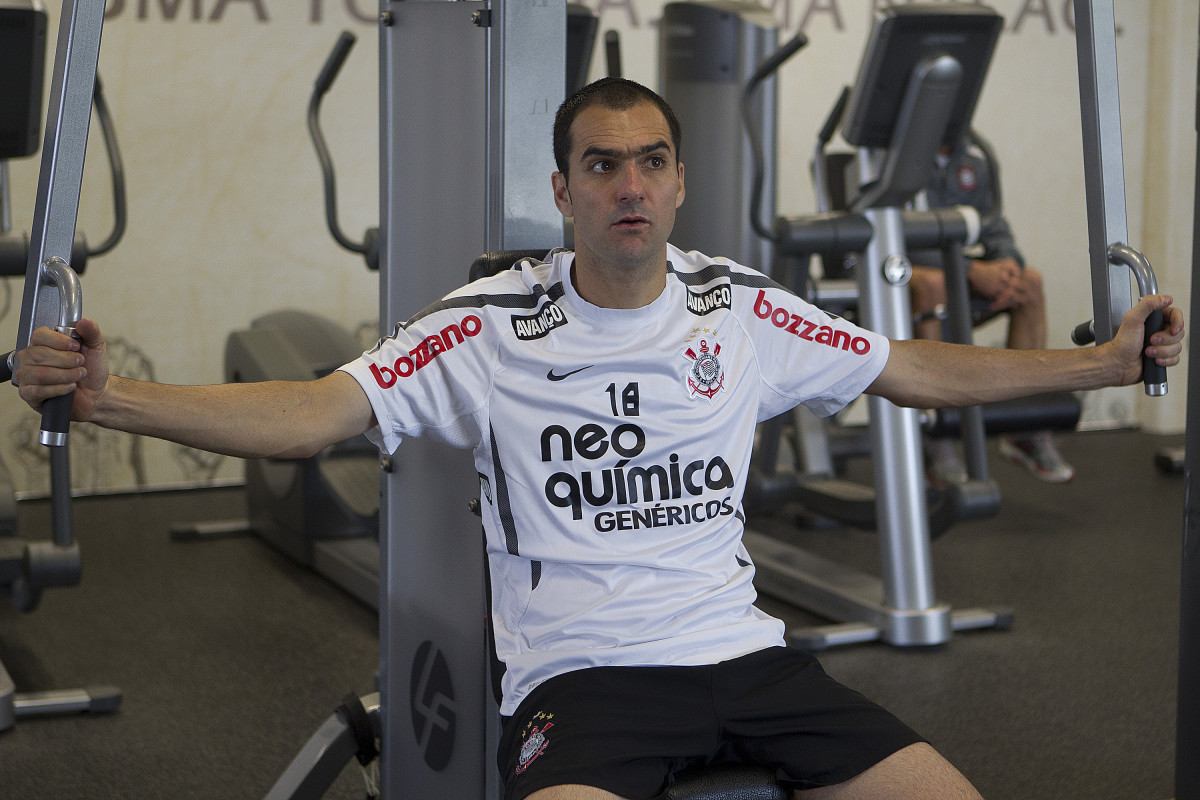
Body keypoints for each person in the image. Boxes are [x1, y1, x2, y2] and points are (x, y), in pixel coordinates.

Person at [14, 79, 1184, 800]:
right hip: (585, 681)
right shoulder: (487, 325)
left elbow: (912, 364)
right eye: (602, 164)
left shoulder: (740, 304)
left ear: (678, 184)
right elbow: (316, 409)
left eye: (652, 162)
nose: (630, 184)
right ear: (567, 189)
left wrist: (1106, 361)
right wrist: (111, 399)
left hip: (748, 658)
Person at [907, 135, 1074, 484]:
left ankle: (1023, 429)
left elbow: (995, 227)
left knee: (1029, 283)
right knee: (934, 283)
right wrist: (972, 271)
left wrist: (1006, 266)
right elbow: (900, 236)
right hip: (905, 270)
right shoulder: (896, 162)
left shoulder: (974, 165)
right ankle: (937, 435)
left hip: (958, 268)